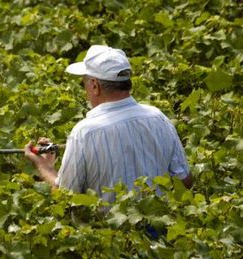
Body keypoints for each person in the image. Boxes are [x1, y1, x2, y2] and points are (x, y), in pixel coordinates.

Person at [25, 45, 192, 201]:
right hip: (162, 229)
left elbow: (66, 198)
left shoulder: (84, 133)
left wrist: (45, 167)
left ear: (95, 86)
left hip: (105, 231)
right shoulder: (158, 118)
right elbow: (184, 180)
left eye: (84, 83)